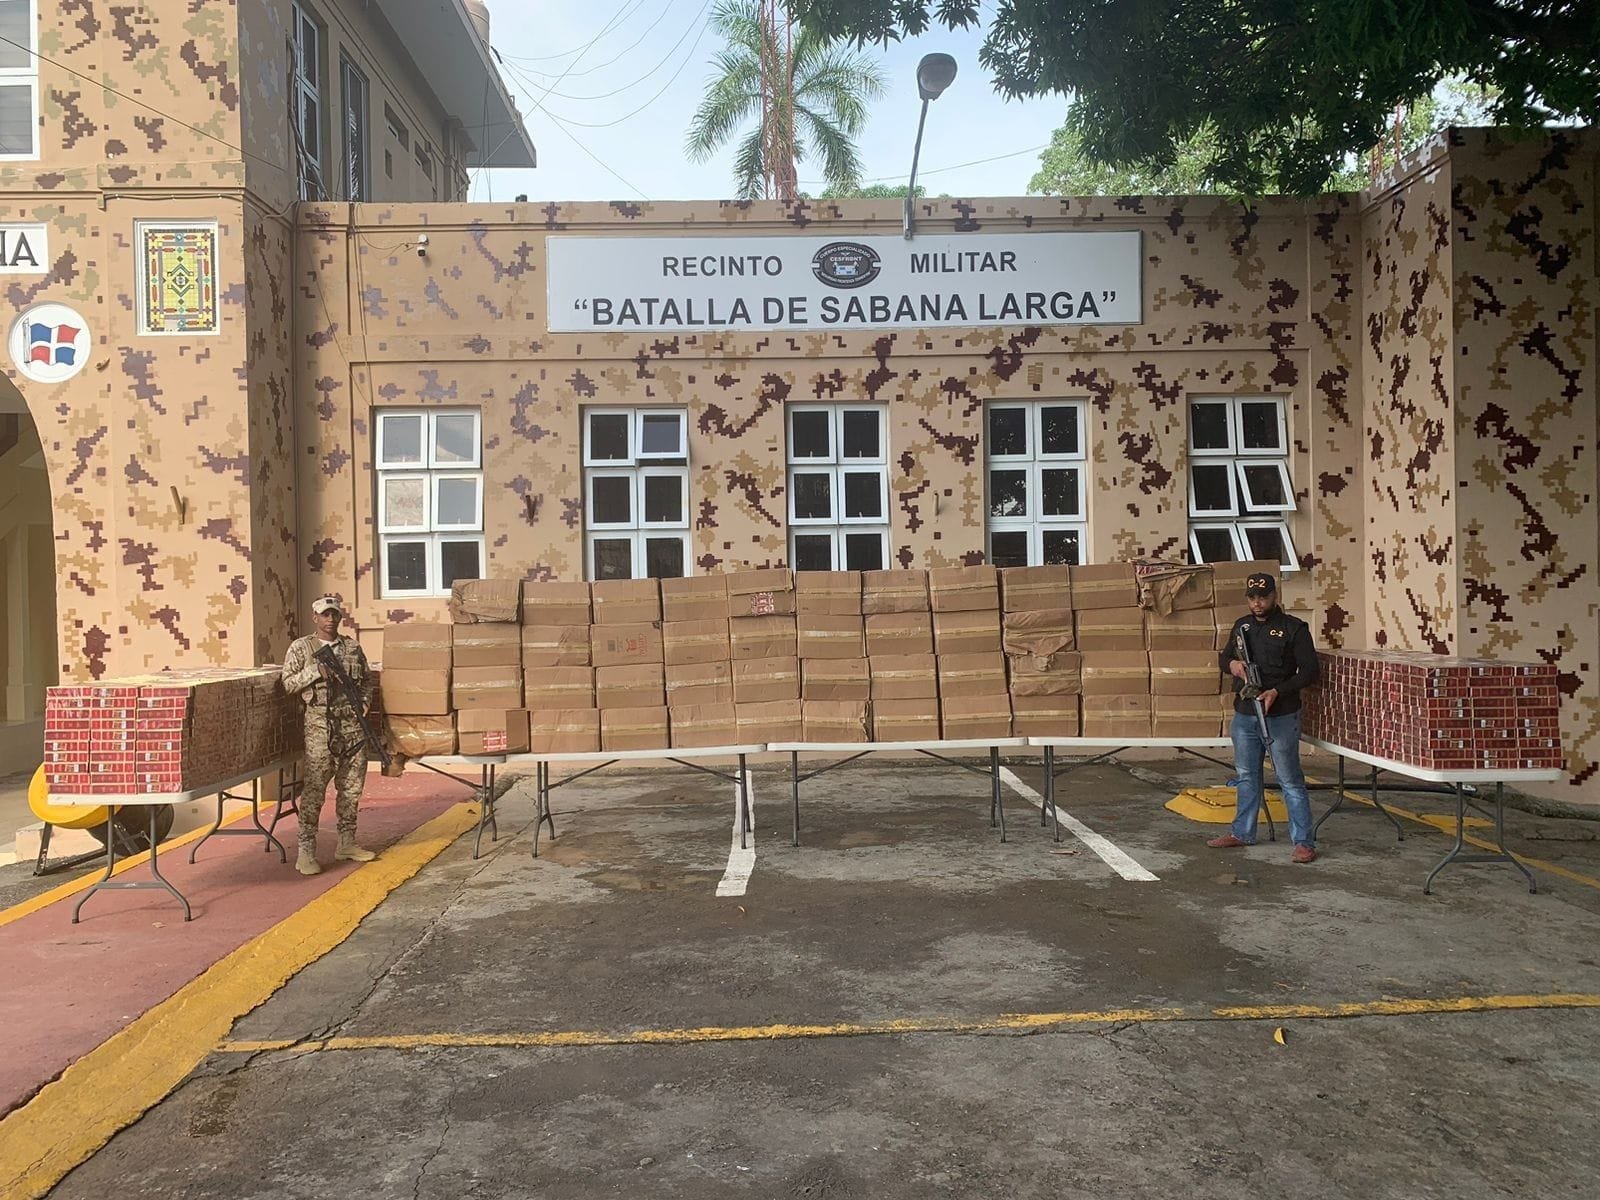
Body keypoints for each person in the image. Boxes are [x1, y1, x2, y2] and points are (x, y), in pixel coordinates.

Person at [1207, 572, 1320, 862]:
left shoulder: (1294, 628)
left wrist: (1277, 691)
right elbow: (1223, 658)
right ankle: (1242, 832)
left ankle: (1303, 842)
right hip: (1246, 713)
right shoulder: (1241, 626)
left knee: (1289, 779)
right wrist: (1233, 665)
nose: (1257, 603)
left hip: (1280, 714)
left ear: (1274, 596)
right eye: (1253, 597)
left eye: (1263, 597)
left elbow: (1309, 671)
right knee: (1246, 776)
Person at [281, 594, 378, 875]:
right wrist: (314, 672)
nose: (331, 619)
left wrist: (365, 701)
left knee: (351, 788)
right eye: (325, 614)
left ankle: (347, 843)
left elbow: (366, 681)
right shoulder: (301, 648)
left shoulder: (352, 647)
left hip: (352, 727)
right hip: (320, 728)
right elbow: (288, 683)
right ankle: (306, 851)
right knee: (314, 790)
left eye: (335, 614)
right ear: (315, 617)